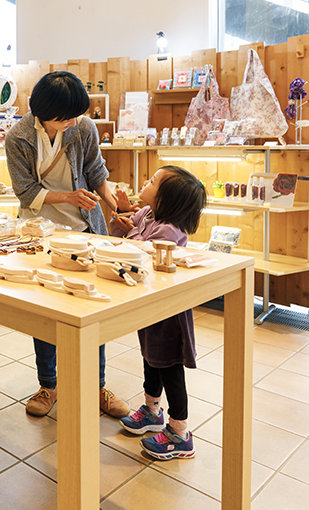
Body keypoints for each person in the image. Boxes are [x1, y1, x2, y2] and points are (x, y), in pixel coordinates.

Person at [4, 70, 129, 419]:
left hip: (85, 229)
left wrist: (115, 203)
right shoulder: (18, 137)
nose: (74, 120)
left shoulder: (83, 128)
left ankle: (97, 385)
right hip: (39, 234)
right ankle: (49, 384)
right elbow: (26, 191)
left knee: (94, 309)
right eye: (68, 115)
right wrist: (68, 195)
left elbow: (97, 171)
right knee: (44, 313)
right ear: (46, 111)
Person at [109, 165, 207, 460]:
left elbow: (142, 251)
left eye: (152, 181)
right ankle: (152, 411)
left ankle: (180, 432)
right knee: (151, 360)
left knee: (169, 367)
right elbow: (123, 235)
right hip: (150, 306)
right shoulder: (148, 214)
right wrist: (123, 216)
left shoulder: (169, 229)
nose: (145, 181)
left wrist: (131, 229)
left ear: (165, 200)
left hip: (170, 312)